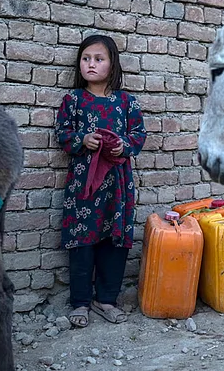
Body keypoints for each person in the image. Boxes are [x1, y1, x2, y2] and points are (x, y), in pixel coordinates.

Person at [55, 35, 147, 327]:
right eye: (85, 59)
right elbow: (63, 134)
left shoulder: (126, 102)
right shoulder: (74, 100)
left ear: (113, 64)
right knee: (82, 239)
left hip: (118, 184)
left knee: (114, 239)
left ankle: (105, 299)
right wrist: (83, 139)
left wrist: (123, 146)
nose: (91, 64)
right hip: (84, 183)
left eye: (99, 59)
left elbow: (139, 135)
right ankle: (80, 303)